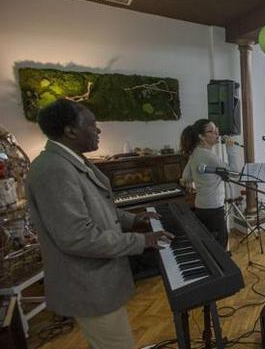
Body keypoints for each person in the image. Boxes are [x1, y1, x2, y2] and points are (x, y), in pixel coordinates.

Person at [26, 99, 173, 349]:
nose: (99, 130)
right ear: (70, 131)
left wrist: (133, 219)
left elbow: (97, 206)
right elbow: (77, 237)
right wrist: (141, 240)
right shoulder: (54, 169)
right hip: (88, 283)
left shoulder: (72, 160)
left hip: (100, 280)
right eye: (93, 124)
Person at [180, 119, 240, 248]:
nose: (216, 134)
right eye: (211, 131)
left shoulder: (195, 152)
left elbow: (185, 177)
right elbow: (234, 172)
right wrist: (230, 148)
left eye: (216, 130)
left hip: (201, 207)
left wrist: (191, 181)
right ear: (201, 136)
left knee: (209, 247)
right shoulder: (208, 155)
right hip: (213, 209)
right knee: (220, 246)